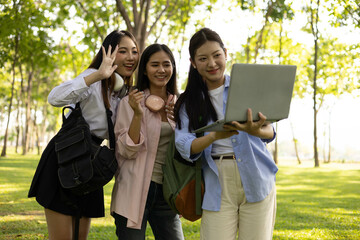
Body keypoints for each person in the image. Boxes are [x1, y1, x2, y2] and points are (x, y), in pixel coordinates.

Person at [28, 30, 139, 240]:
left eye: (134, 51)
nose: (131, 57)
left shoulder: (125, 92)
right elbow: (54, 97)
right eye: (123, 51)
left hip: (92, 164)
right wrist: (98, 75)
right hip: (67, 158)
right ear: (109, 54)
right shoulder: (93, 80)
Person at [174, 27, 277, 240]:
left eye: (216, 55)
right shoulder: (188, 102)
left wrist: (254, 130)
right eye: (203, 58)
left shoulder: (247, 88)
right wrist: (212, 136)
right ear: (193, 62)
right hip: (216, 182)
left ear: (225, 53)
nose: (211, 63)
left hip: (256, 175)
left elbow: (270, 131)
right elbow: (184, 144)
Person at [110, 43, 184, 240]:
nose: (161, 70)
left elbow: (186, 149)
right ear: (144, 69)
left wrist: (178, 120)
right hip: (133, 189)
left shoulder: (179, 105)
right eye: (155, 65)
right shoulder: (130, 102)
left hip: (167, 191)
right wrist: (137, 114)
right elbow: (126, 151)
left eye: (166, 65)